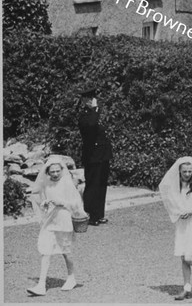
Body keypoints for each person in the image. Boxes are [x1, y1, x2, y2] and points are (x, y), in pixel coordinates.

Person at [27, 156, 86, 296]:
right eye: (52, 171)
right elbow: (41, 199)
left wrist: (61, 202)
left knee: (65, 251)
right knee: (45, 251)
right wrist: (45, 204)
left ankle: (71, 277)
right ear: (47, 171)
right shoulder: (46, 184)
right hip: (50, 219)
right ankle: (41, 284)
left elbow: (76, 203)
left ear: (61, 170)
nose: (54, 174)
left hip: (64, 219)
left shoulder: (67, 182)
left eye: (57, 171)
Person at [159, 157, 192, 299]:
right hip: (181, 224)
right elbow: (171, 202)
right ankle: (187, 288)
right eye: (184, 171)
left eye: (189, 171)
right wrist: (178, 212)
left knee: (189, 257)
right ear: (179, 171)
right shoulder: (176, 186)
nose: (187, 174)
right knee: (183, 257)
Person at [78, 88, 112, 226]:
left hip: (102, 155)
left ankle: (99, 214)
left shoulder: (95, 114)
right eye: (88, 99)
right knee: (92, 185)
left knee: (102, 185)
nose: (91, 101)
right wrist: (95, 109)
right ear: (84, 101)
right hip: (92, 155)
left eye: (92, 98)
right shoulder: (85, 115)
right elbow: (91, 125)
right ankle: (90, 215)